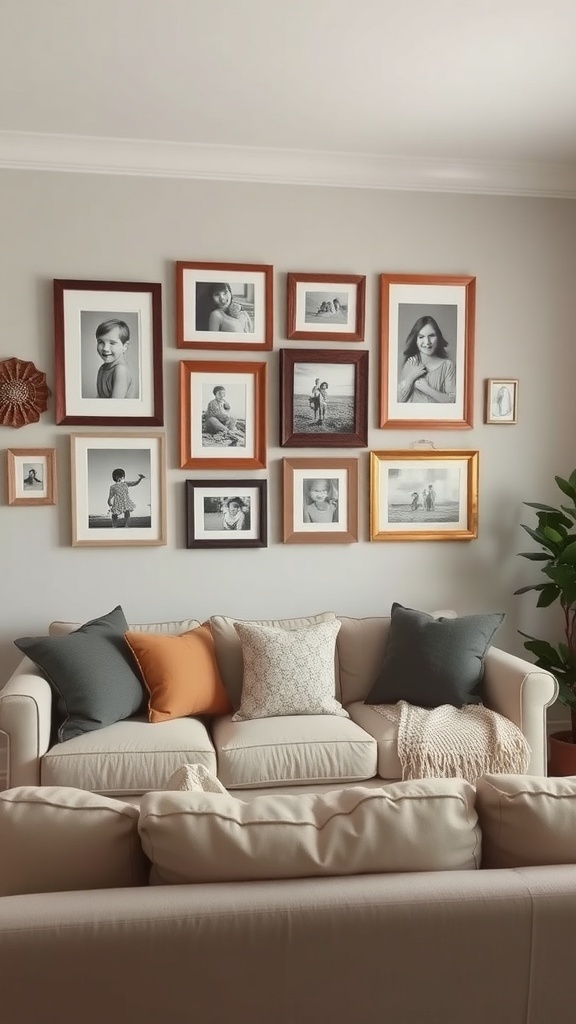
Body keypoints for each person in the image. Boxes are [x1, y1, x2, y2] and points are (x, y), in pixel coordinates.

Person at [398, 315, 456, 404]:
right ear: (416, 340)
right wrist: (412, 376)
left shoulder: (447, 365)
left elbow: (452, 401)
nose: (427, 342)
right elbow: (399, 399)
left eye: (431, 336)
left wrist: (428, 389)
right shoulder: (411, 362)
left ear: (438, 337)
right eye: (421, 337)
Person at [95, 319, 134, 399]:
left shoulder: (120, 369)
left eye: (112, 343)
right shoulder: (103, 368)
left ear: (125, 346)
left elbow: (115, 406)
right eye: (100, 342)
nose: (105, 348)